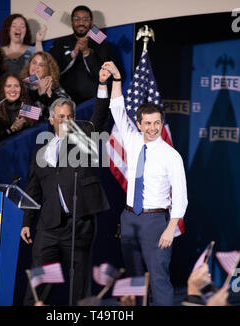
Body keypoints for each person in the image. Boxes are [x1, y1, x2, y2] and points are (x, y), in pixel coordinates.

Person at [20, 68, 111, 305]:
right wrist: (27, 222)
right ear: (51, 120)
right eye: (61, 117)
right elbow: (33, 189)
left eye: (70, 116)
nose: (66, 121)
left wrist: (102, 85)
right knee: (39, 283)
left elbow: (99, 117)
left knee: (79, 284)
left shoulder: (83, 138)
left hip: (78, 224)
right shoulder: (41, 150)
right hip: (48, 227)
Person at [102, 61, 188, 306]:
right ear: (139, 124)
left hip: (156, 222)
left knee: (159, 279)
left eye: (157, 123)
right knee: (135, 280)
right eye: (147, 123)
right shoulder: (131, 140)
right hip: (129, 219)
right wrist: (117, 80)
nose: (152, 128)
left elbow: (180, 196)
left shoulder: (171, 155)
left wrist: (171, 228)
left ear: (161, 123)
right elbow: (118, 109)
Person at [49, 5, 111, 104]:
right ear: (71, 22)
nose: (81, 23)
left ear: (91, 22)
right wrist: (74, 53)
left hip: (92, 101)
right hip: (64, 101)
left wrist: (86, 52)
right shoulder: (59, 42)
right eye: (77, 19)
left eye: (85, 19)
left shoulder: (102, 44)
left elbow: (104, 75)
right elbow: (52, 71)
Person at [0, 72, 35, 142]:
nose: (13, 89)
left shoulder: (26, 106)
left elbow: (38, 128)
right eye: (8, 86)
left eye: (16, 86)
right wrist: (11, 130)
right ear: (2, 89)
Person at [20, 51, 69, 119]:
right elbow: (21, 111)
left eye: (41, 65)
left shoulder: (55, 87)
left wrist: (45, 95)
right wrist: (40, 94)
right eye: (34, 63)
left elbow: (65, 109)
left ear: (48, 69)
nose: (36, 67)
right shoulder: (20, 85)